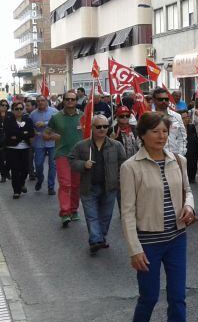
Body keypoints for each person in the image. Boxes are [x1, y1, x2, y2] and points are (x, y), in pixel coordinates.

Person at [120, 112, 195, 322]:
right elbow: (127, 212)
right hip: (148, 243)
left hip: (177, 239)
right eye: (155, 132)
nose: (161, 136)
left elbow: (187, 190)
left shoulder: (178, 161)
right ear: (142, 135)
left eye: (164, 131)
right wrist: (135, 249)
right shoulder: (131, 167)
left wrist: (189, 205)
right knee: (149, 297)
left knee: (178, 297)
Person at [69, 115, 127, 254]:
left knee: (106, 216)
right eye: (99, 126)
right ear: (92, 127)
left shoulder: (116, 145)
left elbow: (123, 165)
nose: (102, 129)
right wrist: (83, 164)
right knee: (91, 215)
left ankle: (101, 237)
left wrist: (119, 181)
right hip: (89, 187)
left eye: (105, 126)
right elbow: (71, 160)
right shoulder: (82, 145)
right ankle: (95, 240)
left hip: (109, 187)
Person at [47, 90, 84, 227]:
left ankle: (74, 210)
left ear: (76, 101)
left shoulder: (83, 116)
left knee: (76, 185)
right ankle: (65, 212)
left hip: (79, 156)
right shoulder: (56, 117)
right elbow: (46, 133)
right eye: (67, 99)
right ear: (63, 100)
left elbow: (88, 133)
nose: (70, 102)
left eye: (72, 99)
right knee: (65, 184)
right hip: (62, 155)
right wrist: (51, 136)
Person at [5, 101, 35, 199]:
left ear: (23, 110)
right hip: (12, 148)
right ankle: (16, 191)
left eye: (20, 109)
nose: (19, 111)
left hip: (25, 148)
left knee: (25, 169)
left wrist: (18, 135)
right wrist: (23, 134)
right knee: (15, 170)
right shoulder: (8, 120)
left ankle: (22, 183)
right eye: (16, 109)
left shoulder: (28, 119)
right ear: (13, 110)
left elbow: (31, 133)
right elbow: (9, 133)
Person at [30, 94, 58, 194]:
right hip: (39, 142)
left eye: (42, 100)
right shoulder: (33, 114)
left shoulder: (54, 111)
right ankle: (40, 179)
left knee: (53, 165)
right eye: (38, 101)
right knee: (38, 164)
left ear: (46, 101)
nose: (40, 102)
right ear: (36, 103)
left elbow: (58, 125)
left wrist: (45, 123)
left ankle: (51, 187)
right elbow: (30, 127)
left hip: (52, 142)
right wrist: (34, 131)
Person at [152, 87, 186, 156]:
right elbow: (141, 140)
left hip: (174, 158)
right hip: (155, 158)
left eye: (166, 99)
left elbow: (182, 138)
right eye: (160, 99)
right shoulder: (148, 117)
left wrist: (180, 155)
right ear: (154, 100)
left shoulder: (177, 116)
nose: (164, 101)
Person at [0, 100, 10, 183]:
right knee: (1, 159)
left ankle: (7, 171)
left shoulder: (10, 115)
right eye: (2, 105)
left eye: (6, 105)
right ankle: (3, 175)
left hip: (9, 139)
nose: (4, 107)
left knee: (9, 158)